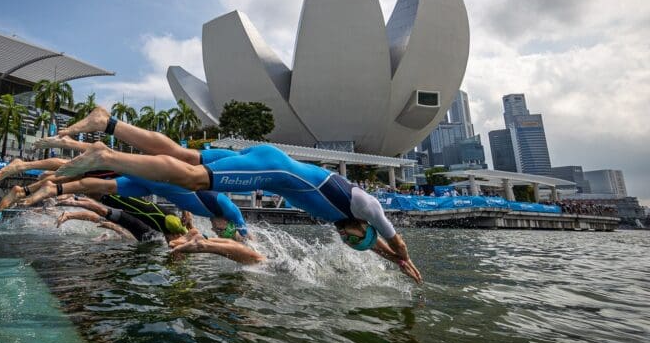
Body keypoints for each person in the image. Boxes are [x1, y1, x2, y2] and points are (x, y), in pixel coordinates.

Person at [49, 107, 422, 283]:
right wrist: (403, 255)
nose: (345, 239)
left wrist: (391, 261)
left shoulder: (343, 220)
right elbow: (389, 234)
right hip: (271, 168)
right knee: (195, 179)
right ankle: (108, 155)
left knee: (184, 156)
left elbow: (372, 243)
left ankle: (109, 123)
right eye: (353, 238)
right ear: (363, 226)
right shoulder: (362, 205)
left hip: (267, 165)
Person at [0, 137, 250, 241]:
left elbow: (189, 213)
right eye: (221, 231)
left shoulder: (209, 208)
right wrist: (243, 238)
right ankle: (61, 150)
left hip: (147, 186)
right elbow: (242, 230)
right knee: (101, 160)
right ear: (225, 224)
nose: (216, 231)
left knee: (88, 174)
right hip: (157, 179)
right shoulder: (226, 207)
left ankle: (30, 189)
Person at [55, 196, 265, 265]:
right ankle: (76, 204)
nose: (213, 226)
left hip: (142, 224)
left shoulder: (170, 229)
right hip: (141, 225)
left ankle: (76, 203)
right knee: (108, 217)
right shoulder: (171, 231)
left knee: (107, 216)